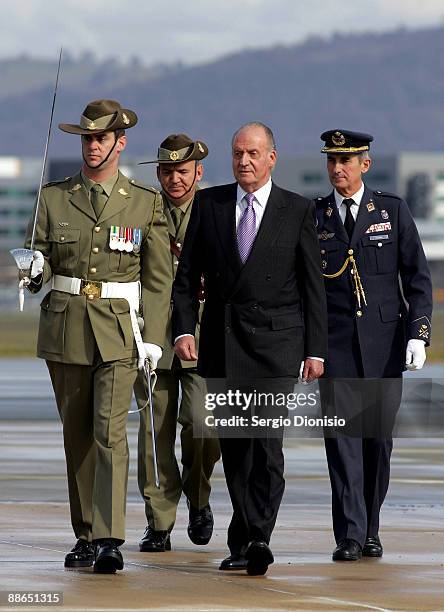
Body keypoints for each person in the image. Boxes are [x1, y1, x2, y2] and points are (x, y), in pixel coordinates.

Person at [23, 99, 172, 573]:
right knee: (78, 436)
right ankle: (85, 533)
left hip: (119, 331)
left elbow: (159, 278)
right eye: (87, 139)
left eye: (100, 139)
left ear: (119, 143)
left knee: (110, 433)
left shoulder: (145, 202)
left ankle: (109, 538)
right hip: (66, 326)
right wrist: (34, 269)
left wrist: (155, 334)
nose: (92, 147)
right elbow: (40, 257)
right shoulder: (54, 197)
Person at [172, 122, 327, 575]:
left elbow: (312, 286)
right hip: (223, 343)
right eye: (238, 153)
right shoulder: (210, 203)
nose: (244, 161)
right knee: (236, 447)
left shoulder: (296, 209)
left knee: (266, 445)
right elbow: (186, 280)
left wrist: (315, 350)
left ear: (272, 158)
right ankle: (242, 538)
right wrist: (184, 330)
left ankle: (259, 535)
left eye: (253, 153)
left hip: (277, 346)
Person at [315, 129, 432, 561]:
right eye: (331, 160)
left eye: (346, 160)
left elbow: (418, 279)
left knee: (376, 443)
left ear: (365, 163)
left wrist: (419, 335)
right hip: (335, 347)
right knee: (342, 442)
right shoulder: (317, 217)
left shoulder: (392, 211)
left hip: (384, 346)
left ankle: (370, 529)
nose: (337, 169)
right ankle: (349, 533)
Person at [134, 134, 220, 552]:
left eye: (182, 172)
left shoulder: (217, 211)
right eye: (166, 172)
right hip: (152, 337)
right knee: (154, 433)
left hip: (204, 335)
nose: (173, 179)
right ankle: (160, 520)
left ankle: (199, 497)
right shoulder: (143, 211)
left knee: (204, 424)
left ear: (198, 172)